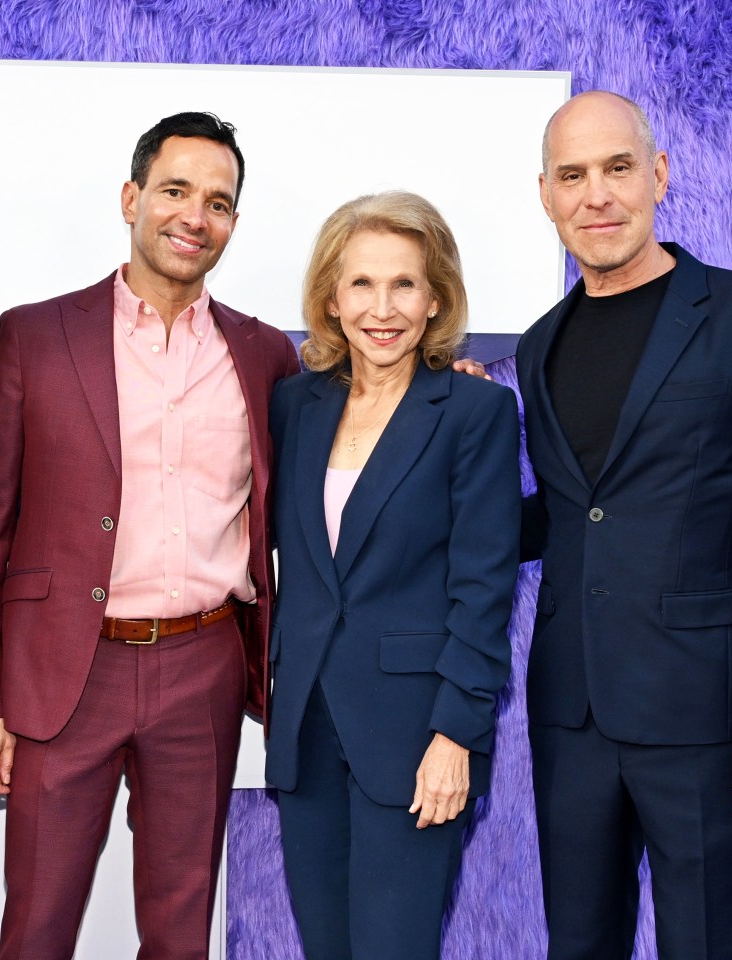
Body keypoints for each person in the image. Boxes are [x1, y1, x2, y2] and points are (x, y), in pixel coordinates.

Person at [0, 111, 300, 960]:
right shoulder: (36, 335)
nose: (194, 215)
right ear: (132, 197)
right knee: (36, 927)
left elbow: (339, 458)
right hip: (63, 669)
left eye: (217, 202)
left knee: (182, 932)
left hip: (204, 667)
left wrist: (448, 374)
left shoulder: (265, 358)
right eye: (176, 190)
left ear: (233, 224)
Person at [514, 90, 732, 960]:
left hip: (708, 716)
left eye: (618, 168)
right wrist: (443, 461)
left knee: (707, 945)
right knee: (578, 945)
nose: (597, 196)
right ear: (544, 194)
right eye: (572, 176)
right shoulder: (540, 345)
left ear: (658, 175)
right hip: (571, 711)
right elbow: (571, 513)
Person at [264, 191, 522, 960]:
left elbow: (483, 590)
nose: (383, 307)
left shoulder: (474, 411)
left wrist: (455, 736)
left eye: (404, 284)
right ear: (332, 299)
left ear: (436, 296)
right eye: (362, 285)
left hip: (415, 738)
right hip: (306, 729)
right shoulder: (293, 406)